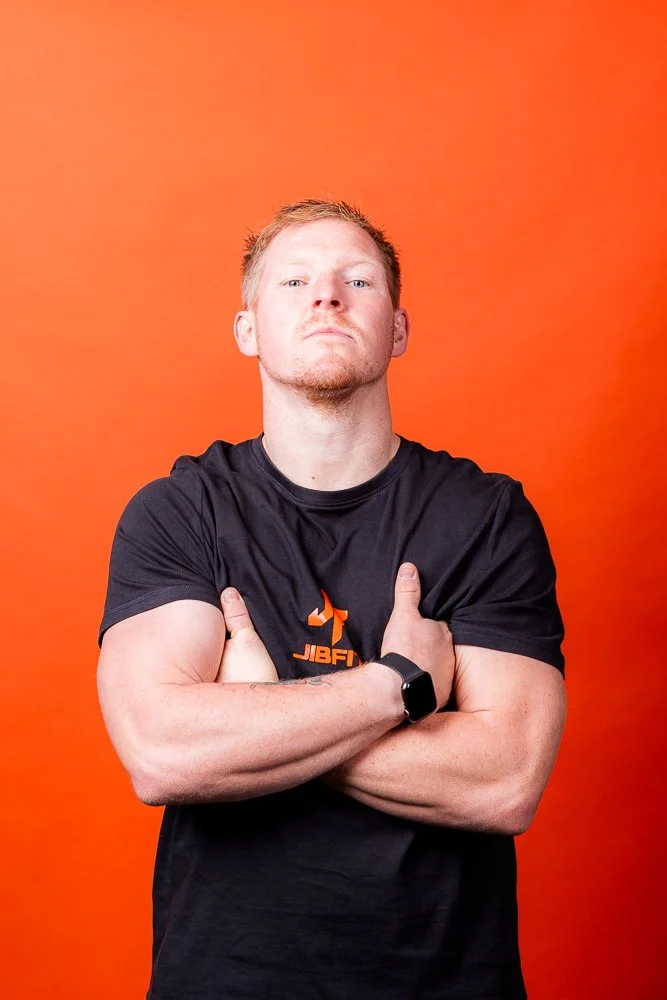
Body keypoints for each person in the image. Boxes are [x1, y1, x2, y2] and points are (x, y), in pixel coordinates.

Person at [97, 198, 566, 1000]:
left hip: (445, 981)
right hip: (224, 979)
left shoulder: (485, 516)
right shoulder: (180, 511)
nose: (327, 297)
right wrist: (396, 686)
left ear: (398, 329)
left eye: (358, 280)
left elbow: (503, 781)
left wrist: (259, 714)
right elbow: (163, 753)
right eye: (294, 282)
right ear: (246, 329)